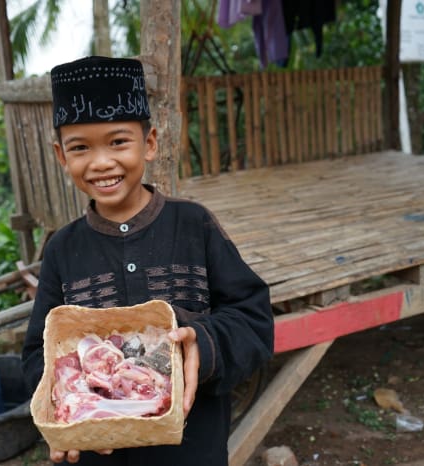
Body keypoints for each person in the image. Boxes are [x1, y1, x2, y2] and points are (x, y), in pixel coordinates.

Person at [21, 55, 274, 466]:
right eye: (80, 147)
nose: (101, 162)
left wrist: (203, 345)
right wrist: (64, 406)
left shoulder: (194, 225)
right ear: (61, 156)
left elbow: (254, 321)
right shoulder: (62, 249)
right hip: (97, 449)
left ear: (150, 143)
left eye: (118, 141)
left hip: (192, 451)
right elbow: (38, 354)